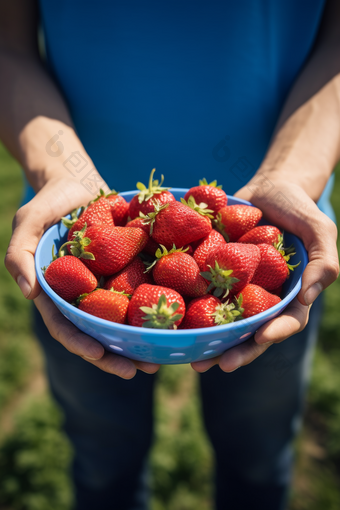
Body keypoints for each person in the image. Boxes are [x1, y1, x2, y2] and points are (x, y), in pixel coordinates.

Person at [1, 0, 339, 509]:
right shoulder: (100, 259)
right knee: (102, 465)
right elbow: (8, 44)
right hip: (71, 219)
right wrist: (58, 171)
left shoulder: (237, 261)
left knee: (258, 463)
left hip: (275, 228)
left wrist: (291, 177)